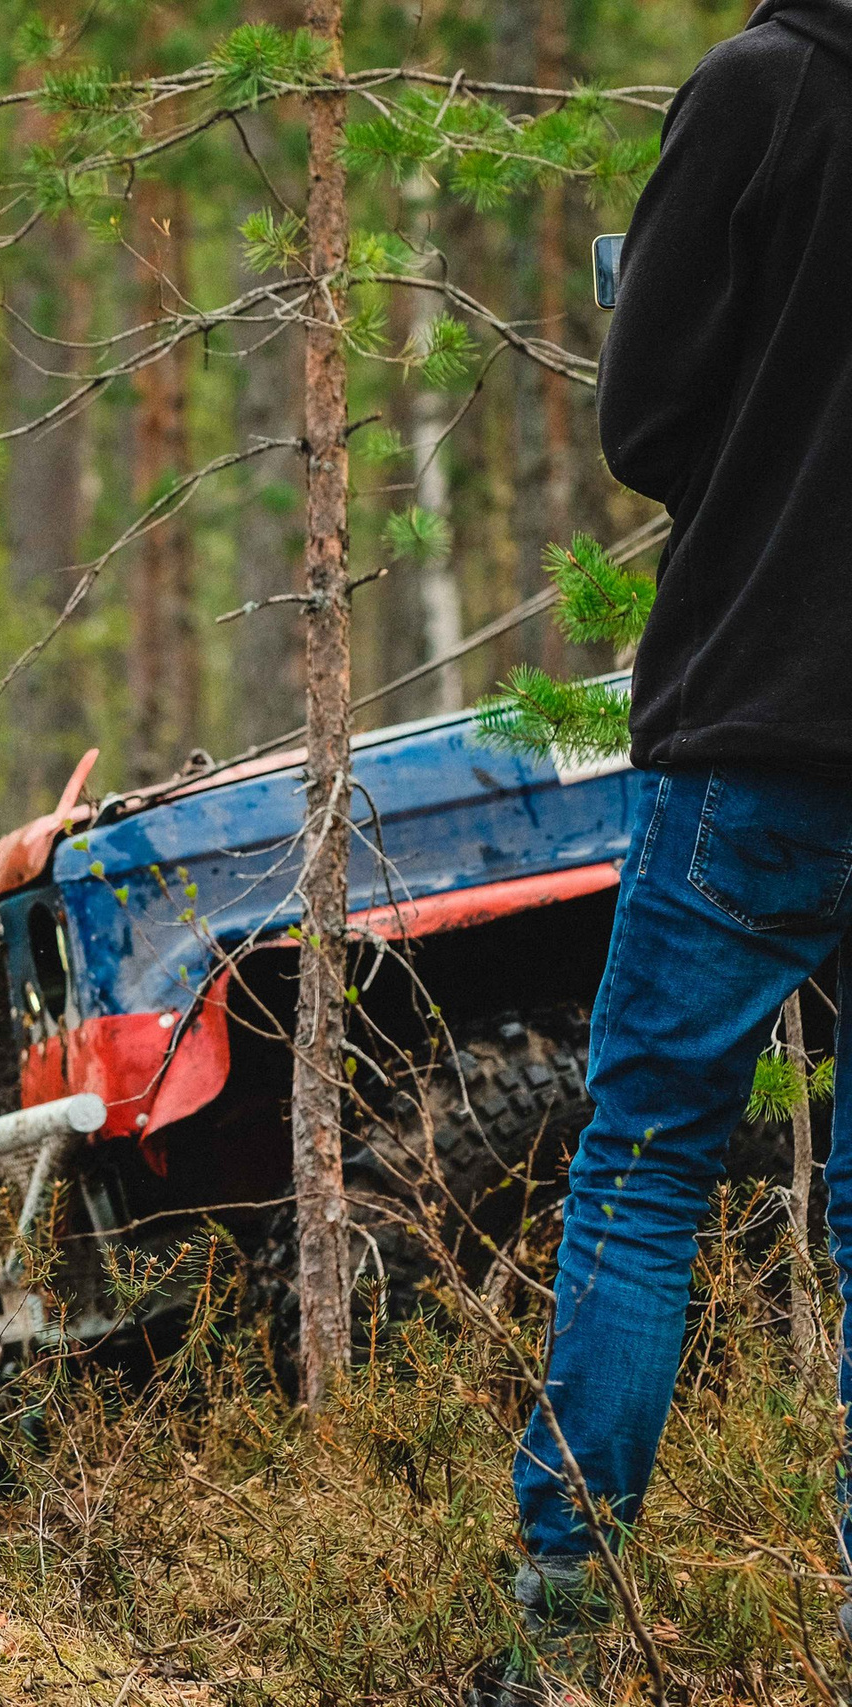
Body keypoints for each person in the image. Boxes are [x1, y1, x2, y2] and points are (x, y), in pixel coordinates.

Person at [494, 0, 852, 1690]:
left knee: (644, 1172)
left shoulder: (762, 87)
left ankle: (563, 1631)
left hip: (756, 728)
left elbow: (646, 428)